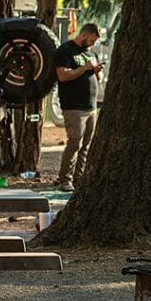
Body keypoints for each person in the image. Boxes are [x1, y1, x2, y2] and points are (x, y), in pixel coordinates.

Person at [54, 22, 103, 192]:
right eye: (91, 40)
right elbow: (62, 75)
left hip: (91, 106)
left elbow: (99, 77)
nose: (92, 44)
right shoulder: (66, 50)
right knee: (74, 142)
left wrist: (97, 70)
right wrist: (83, 69)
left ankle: (79, 178)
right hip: (74, 106)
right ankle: (64, 179)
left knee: (86, 145)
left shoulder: (89, 52)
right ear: (84, 35)